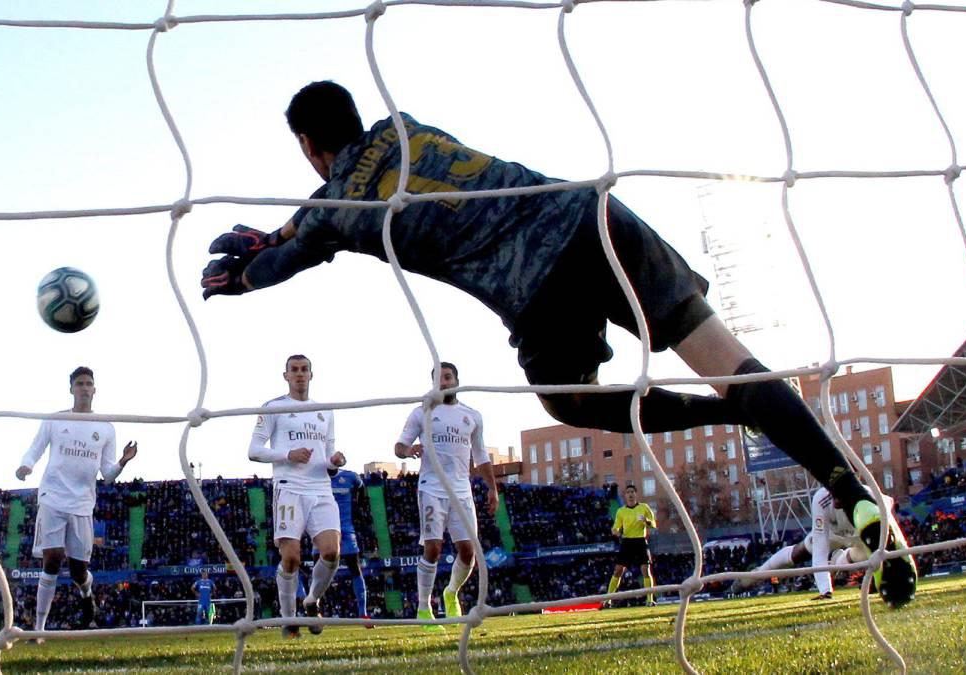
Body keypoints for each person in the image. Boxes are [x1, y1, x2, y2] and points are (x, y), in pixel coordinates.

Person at [200, 80, 916, 608]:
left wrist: (244, 272)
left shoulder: (336, 211)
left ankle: (729, 413)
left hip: (537, 286)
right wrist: (281, 232)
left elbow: (283, 255)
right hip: (590, 213)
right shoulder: (400, 125)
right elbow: (321, 204)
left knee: (569, 401)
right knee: (735, 364)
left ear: (307, 147)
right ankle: (853, 493)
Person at [17, 366, 138, 641]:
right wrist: (26, 465)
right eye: (79, 383)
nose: (84, 387)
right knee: (51, 559)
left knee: (78, 570)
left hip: (82, 503)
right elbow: (36, 448)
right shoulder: (55, 419)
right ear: (71, 389)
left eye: (88, 383)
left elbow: (107, 475)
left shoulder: (106, 427)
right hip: (52, 496)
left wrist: (123, 461)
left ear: (95, 390)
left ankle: (86, 592)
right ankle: (39, 629)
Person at [394, 362, 498, 630]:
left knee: (468, 551)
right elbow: (399, 446)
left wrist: (492, 488)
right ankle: (423, 609)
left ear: (457, 381)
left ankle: (450, 593)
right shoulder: (422, 413)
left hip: (461, 490)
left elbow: (481, 456)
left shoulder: (472, 416)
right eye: (438, 378)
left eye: (448, 377)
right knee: (433, 548)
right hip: (432, 487)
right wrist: (408, 451)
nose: (443, 382)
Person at [248, 354, 346, 638]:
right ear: (286, 376)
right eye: (295, 370)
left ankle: (312, 601)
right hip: (289, 487)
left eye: (304, 370)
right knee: (291, 558)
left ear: (311, 375)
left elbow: (328, 460)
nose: (300, 374)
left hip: (321, 489)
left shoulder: (325, 411)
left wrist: (335, 462)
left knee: (332, 553)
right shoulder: (273, 408)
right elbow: (254, 451)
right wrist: (287, 454)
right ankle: (289, 620)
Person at [734, 485, 892, 599]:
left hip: (862, 537)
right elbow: (820, 549)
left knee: (866, 556)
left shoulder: (872, 499)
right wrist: (825, 590)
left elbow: (887, 542)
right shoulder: (822, 498)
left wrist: (880, 579)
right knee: (801, 552)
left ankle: (839, 559)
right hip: (832, 534)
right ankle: (756, 574)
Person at [330, 468, 372, 624]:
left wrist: (360, 506)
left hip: (346, 528)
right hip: (324, 529)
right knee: (320, 568)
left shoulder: (350, 476)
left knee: (354, 567)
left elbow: (361, 488)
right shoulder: (316, 476)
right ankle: (314, 608)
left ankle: (363, 613)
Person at [604, 485, 657, 608]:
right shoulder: (621, 511)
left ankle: (650, 599)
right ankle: (608, 600)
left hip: (640, 541)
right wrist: (616, 532)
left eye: (632, 491)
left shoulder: (644, 507)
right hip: (627, 542)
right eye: (628, 492)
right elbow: (615, 527)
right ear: (625, 495)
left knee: (646, 570)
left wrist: (646, 521)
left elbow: (654, 524)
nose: (630, 494)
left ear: (636, 494)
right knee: (618, 570)